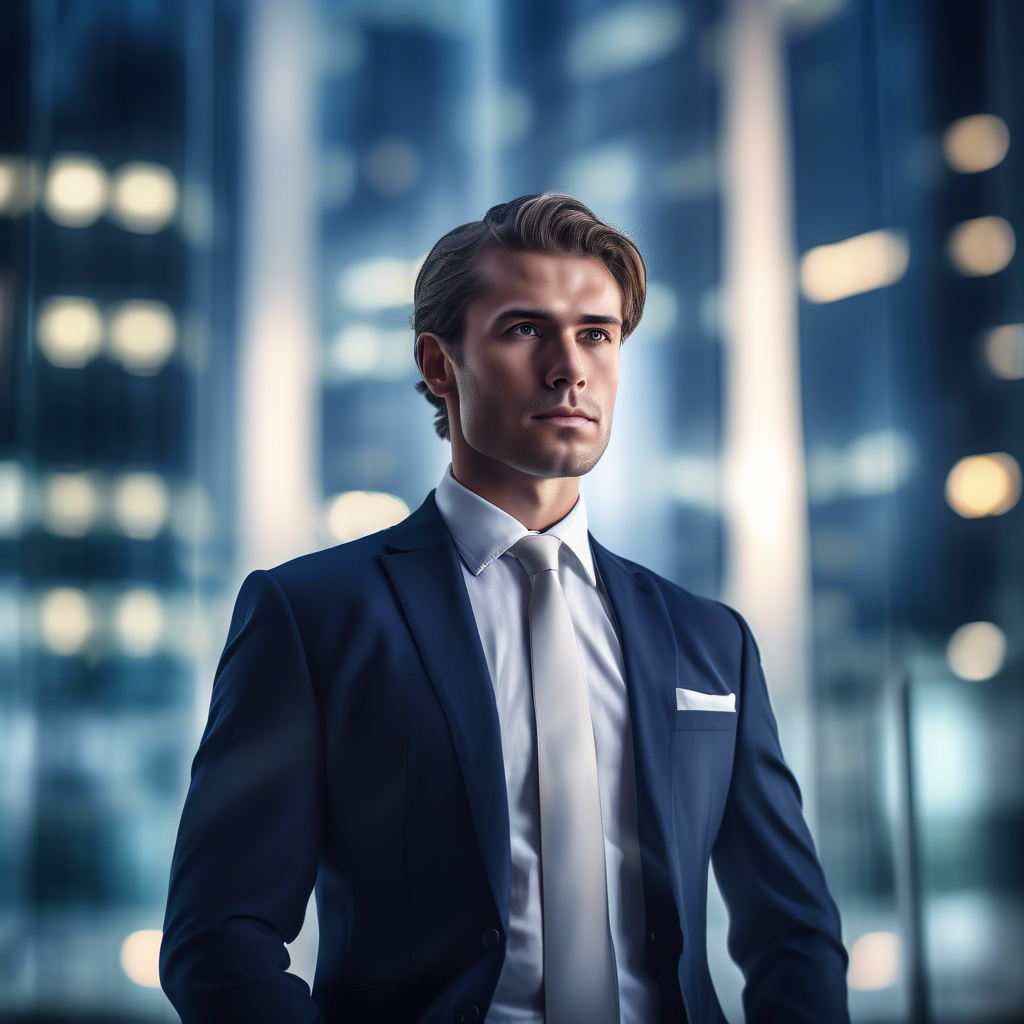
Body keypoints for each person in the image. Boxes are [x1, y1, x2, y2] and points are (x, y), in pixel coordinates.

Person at [159, 193, 850, 1024]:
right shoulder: (312, 617)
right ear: (440, 365)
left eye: (597, 333)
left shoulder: (711, 640)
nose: (571, 366)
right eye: (526, 330)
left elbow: (795, 934)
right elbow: (218, 938)